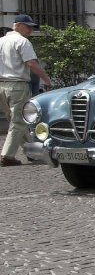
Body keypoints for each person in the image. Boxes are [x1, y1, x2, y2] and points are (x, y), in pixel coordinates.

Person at [1, 15, 53, 166]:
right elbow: (31, 63)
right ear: (17, 25)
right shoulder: (22, 41)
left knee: (16, 121)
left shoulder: (1, 41)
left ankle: (34, 153)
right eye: (28, 26)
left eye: (31, 27)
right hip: (17, 85)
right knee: (19, 122)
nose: (31, 29)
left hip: (1, 86)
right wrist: (46, 78)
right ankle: (7, 156)